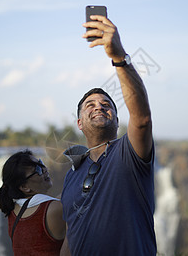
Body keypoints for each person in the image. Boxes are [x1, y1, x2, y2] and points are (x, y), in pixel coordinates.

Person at [61, 14, 156, 255]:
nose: (99, 106)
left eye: (106, 104)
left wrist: (119, 58)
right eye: (90, 105)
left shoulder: (130, 154)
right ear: (80, 123)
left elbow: (142, 119)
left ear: (116, 118)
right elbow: (70, 237)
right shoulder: (71, 176)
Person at [0, 150, 68, 256]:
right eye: (38, 170)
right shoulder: (54, 209)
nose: (44, 169)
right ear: (25, 187)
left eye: (40, 163)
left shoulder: (14, 211)